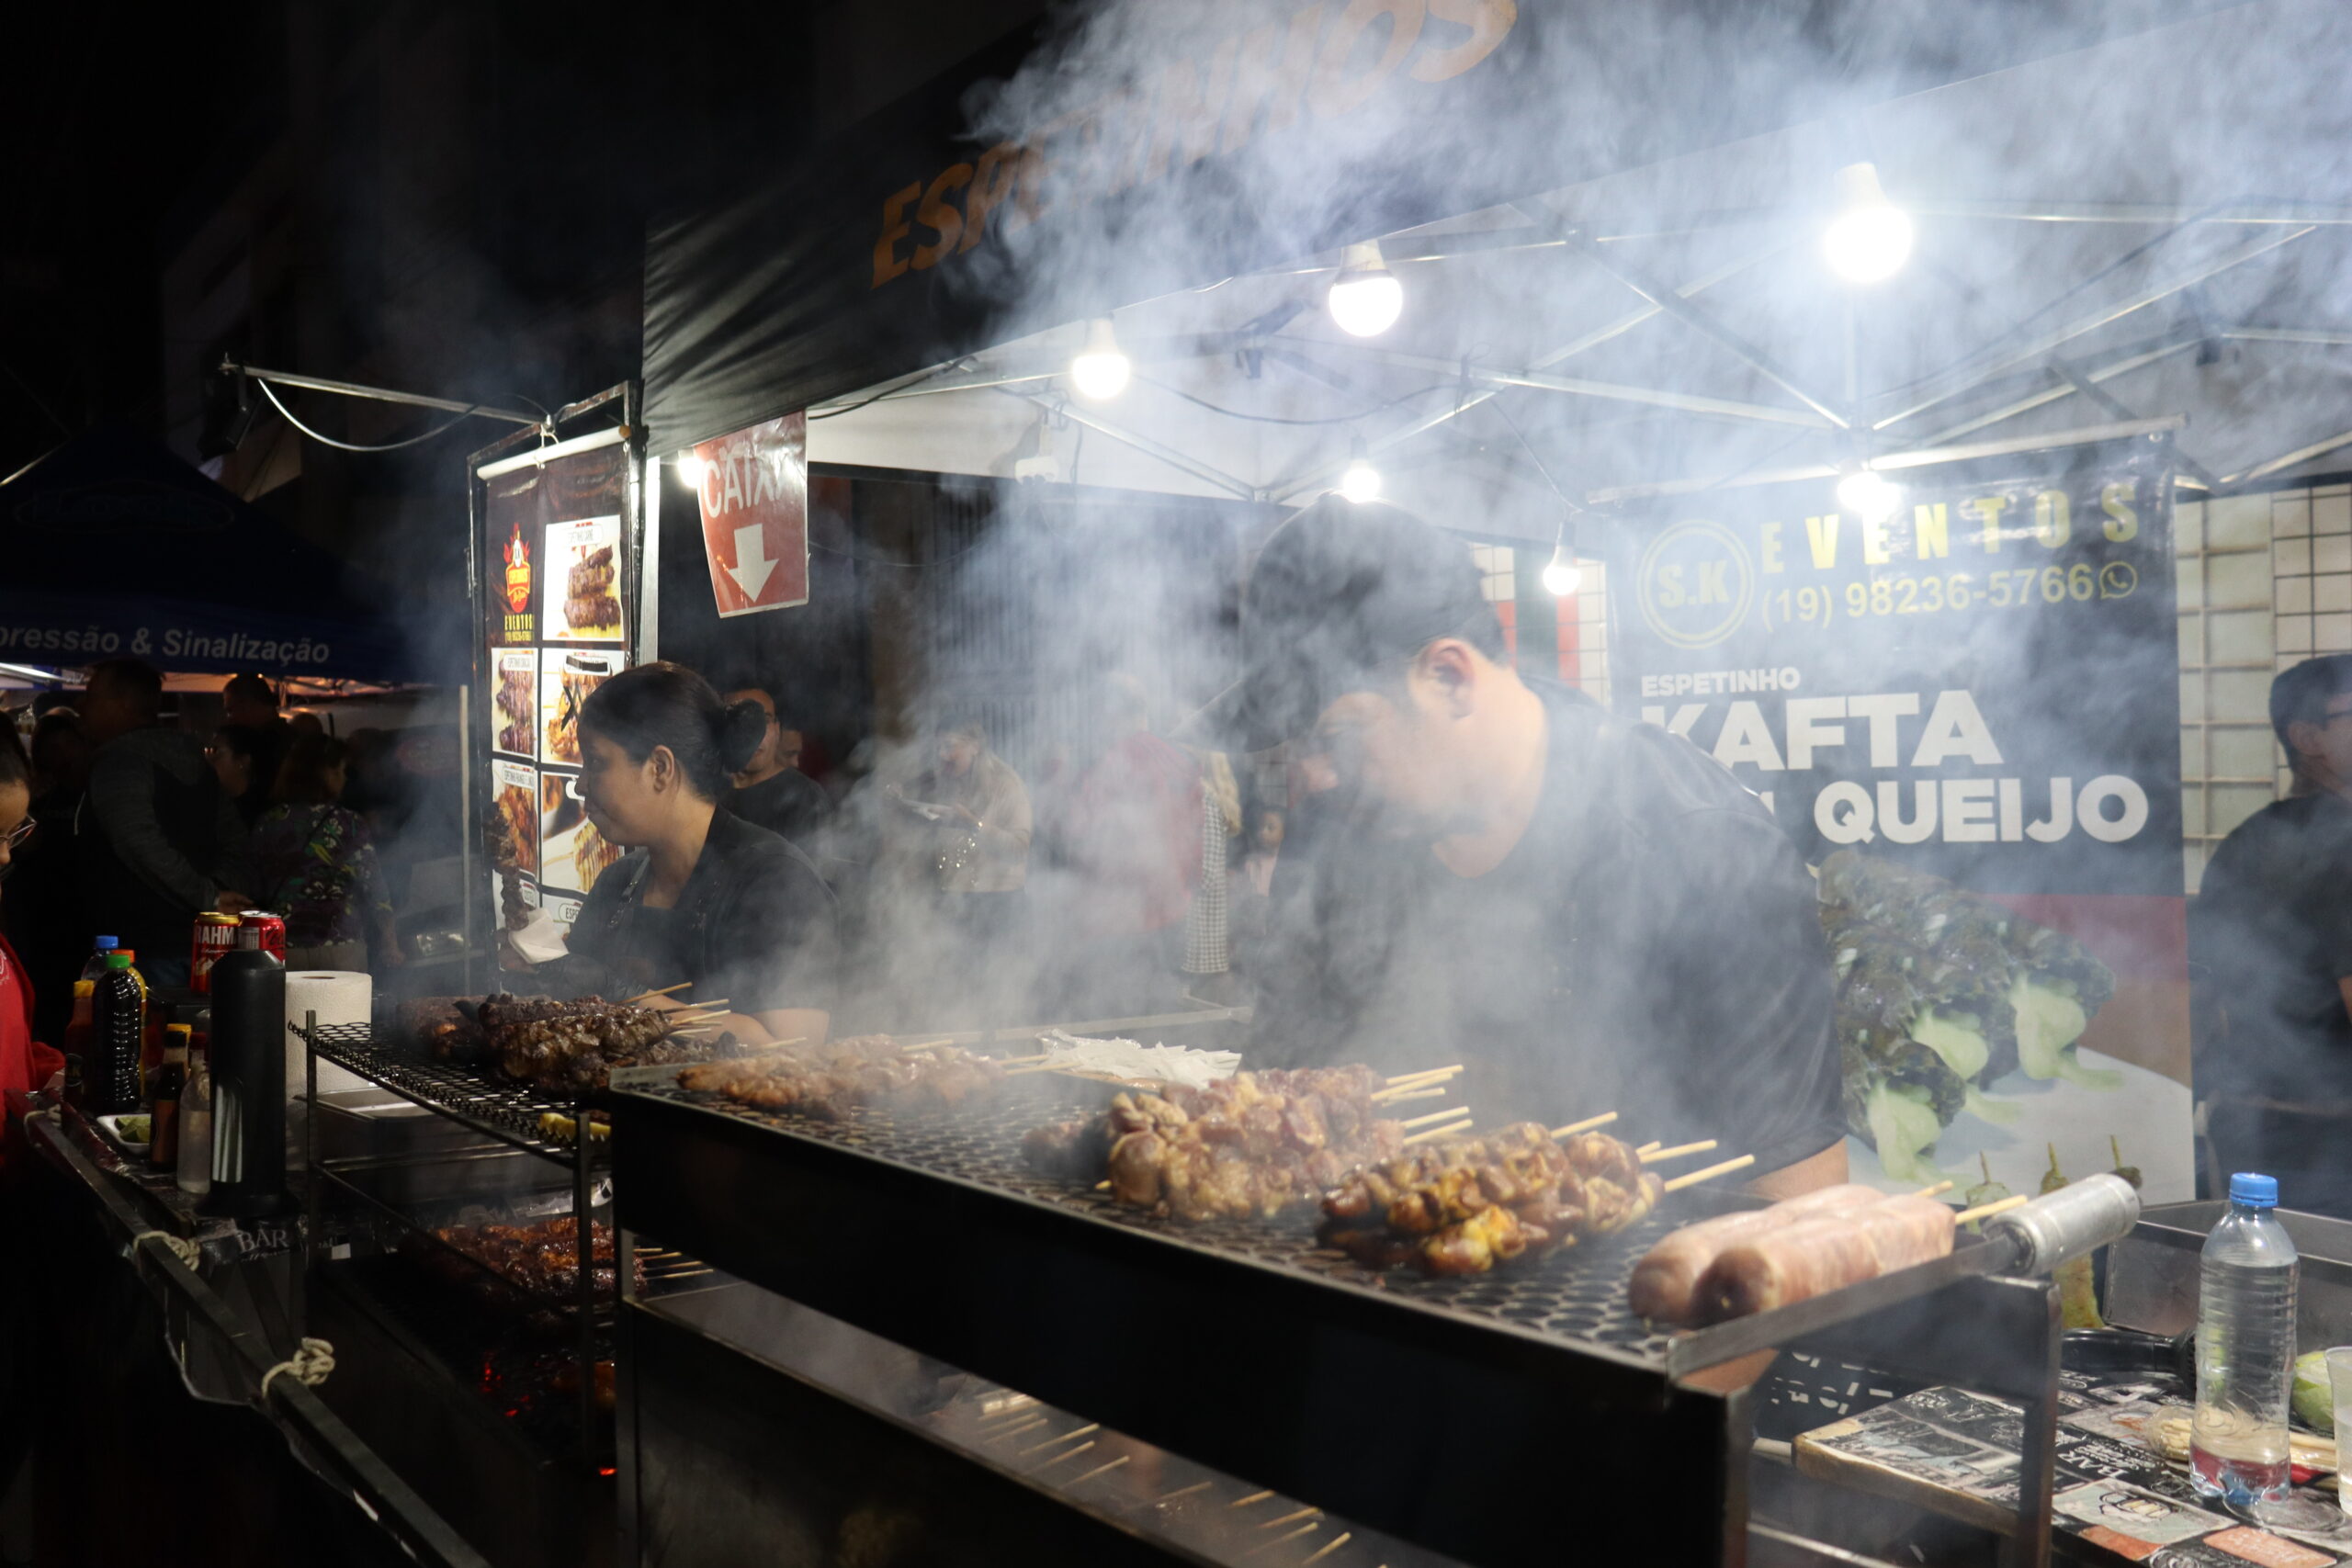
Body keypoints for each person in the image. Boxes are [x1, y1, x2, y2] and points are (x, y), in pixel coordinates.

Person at [1227, 500, 1843, 1197]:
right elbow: (1273, 1114)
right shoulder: (1334, 840)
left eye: (1336, 739)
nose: (1314, 778)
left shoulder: (1707, 852)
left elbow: (1803, 1217)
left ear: (1449, 678)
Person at [539, 662, 838, 1045]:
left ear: (660, 768)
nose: (580, 785)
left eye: (596, 763)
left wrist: (619, 992)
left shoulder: (776, 881)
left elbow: (791, 1049)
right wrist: (545, 969)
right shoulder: (618, 883)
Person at [2192, 653, 2352, 1214]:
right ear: (2308, 737)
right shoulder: (2341, 842)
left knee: (2267, 1292)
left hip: (2250, 1124)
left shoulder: (2245, 840)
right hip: (2333, 1145)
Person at [74, 659, 254, 985]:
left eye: (92, 696)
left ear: (123, 704)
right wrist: (217, 892)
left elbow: (137, 839)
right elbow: (234, 836)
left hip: (140, 947)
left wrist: (212, 896)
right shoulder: (193, 758)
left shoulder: (121, 761)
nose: (82, 706)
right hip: (200, 942)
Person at [1046, 677, 1203, 1018]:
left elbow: (1078, 835)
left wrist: (1058, 779)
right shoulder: (1181, 762)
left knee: (1118, 1034)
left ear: (1109, 714)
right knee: (1164, 1031)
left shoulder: (1113, 764)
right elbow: (1200, 842)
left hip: (1121, 923)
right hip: (1174, 914)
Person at [250, 735, 399, 972]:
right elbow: (375, 889)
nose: (344, 778)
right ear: (326, 773)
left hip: (283, 949)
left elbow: (255, 887)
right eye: (341, 770)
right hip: (342, 947)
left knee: (288, 1010)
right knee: (343, 1009)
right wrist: (390, 943)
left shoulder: (268, 823)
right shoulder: (349, 823)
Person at [726, 685, 831, 851]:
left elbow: (809, 871)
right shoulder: (709, 792)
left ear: (776, 729)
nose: (754, 733)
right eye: (740, 720)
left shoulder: (805, 797)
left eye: (764, 720)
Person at [221, 672, 293, 822]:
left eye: (230, 710)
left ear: (249, 704)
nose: (229, 719)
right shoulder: (291, 738)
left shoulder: (263, 745)